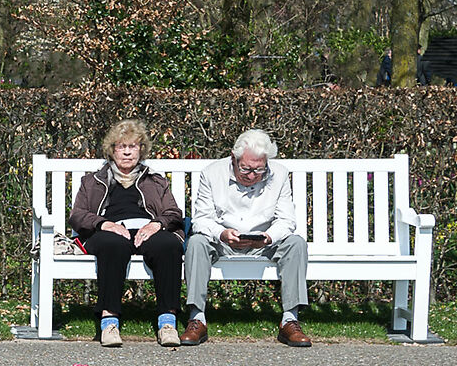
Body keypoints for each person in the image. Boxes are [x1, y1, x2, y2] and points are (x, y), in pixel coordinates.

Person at [66, 119, 188, 349]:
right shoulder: (93, 181)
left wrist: (156, 224)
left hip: (147, 229)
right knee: (113, 245)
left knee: (167, 245)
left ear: (141, 150)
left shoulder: (155, 181)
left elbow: (173, 212)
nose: (127, 152)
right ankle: (109, 321)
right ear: (112, 150)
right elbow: (78, 215)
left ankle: (167, 322)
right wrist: (104, 224)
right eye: (121, 146)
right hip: (109, 231)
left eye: (133, 146)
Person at [183, 128, 310, 347]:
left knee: (296, 243)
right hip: (222, 240)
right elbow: (201, 219)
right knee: (196, 242)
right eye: (246, 169)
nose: (252, 176)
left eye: (259, 170)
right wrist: (222, 234)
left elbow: (287, 220)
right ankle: (197, 318)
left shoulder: (279, 174)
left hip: (264, 241)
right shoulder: (212, 173)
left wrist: (268, 237)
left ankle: (290, 320)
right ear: (234, 158)